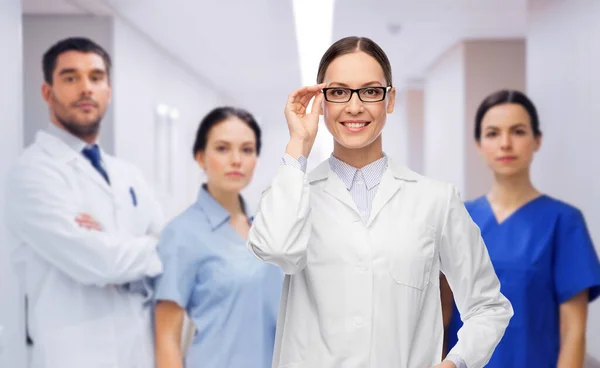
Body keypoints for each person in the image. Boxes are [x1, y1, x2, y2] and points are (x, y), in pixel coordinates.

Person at [246, 36, 513, 368]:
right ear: (321, 100)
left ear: (390, 99)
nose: (354, 107)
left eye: (370, 91)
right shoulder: (292, 192)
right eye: (339, 92)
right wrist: (298, 142)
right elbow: (277, 249)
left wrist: (455, 363)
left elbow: (488, 306)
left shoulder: (435, 200)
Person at [4, 37, 163, 368]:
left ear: (108, 90)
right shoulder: (32, 173)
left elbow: (168, 251)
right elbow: (100, 262)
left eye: (96, 77)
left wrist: (117, 248)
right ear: (48, 92)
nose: (86, 88)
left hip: (137, 352)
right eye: (70, 77)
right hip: (72, 356)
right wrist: (145, 247)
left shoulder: (129, 175)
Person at [442, 90, 600, 367]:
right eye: (492, 133)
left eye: (517, 131)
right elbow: (440, 319)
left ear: (536, 140)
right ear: (479, 144)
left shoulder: (563, 222)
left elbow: (573, 332)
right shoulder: (455, 218)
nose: (505, 143)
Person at [153, 107, 283, 368]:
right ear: (200, 157)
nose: (236, 160)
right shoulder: (181, 234)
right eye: (222, 148)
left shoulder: (268, 229)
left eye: (247, 150)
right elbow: (166, 339)